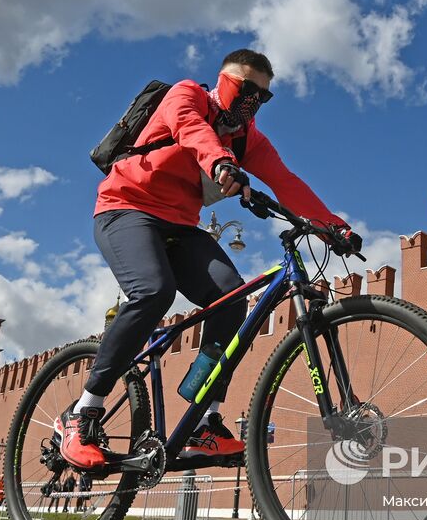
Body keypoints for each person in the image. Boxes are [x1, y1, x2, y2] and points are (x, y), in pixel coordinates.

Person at [57, 49, 359, 469]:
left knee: (231, 298)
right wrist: (220, 161)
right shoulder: (188, 95)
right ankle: (82, 413)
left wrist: (333, 227)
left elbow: (287, 182)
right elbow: (192, 130)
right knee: (152, 291)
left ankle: (204, 421)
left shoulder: (247, 137)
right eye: (246, 87)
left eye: (263, 96)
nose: (252, 100)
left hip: (180, 225)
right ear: (222, 80)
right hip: (126, 208)